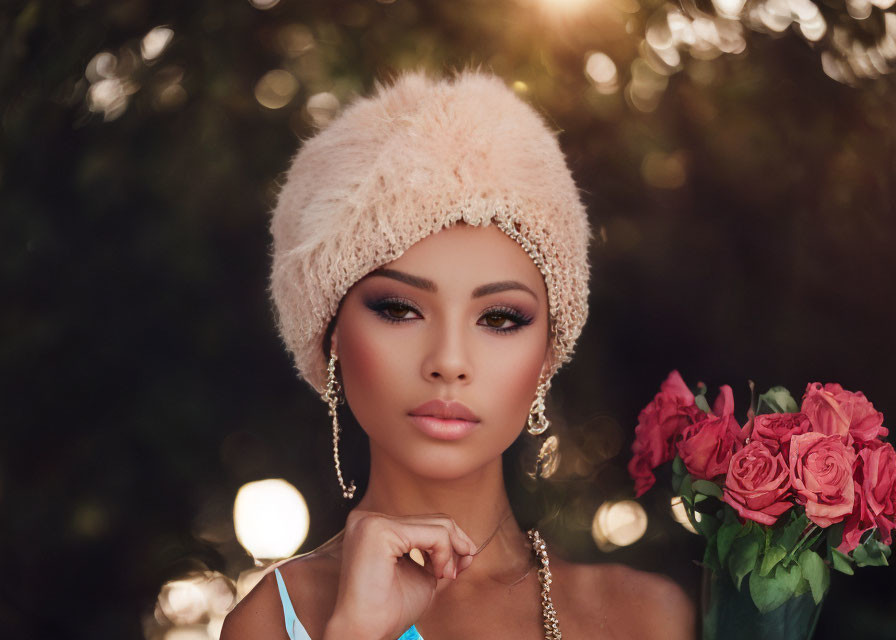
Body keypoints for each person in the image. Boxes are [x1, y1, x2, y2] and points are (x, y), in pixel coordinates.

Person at [221, 68, 695, 640]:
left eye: (499, 318)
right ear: (330, 336)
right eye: (399, 309)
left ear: (547, 356)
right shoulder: (273, 622)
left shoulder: (645, 617)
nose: (448, 360)